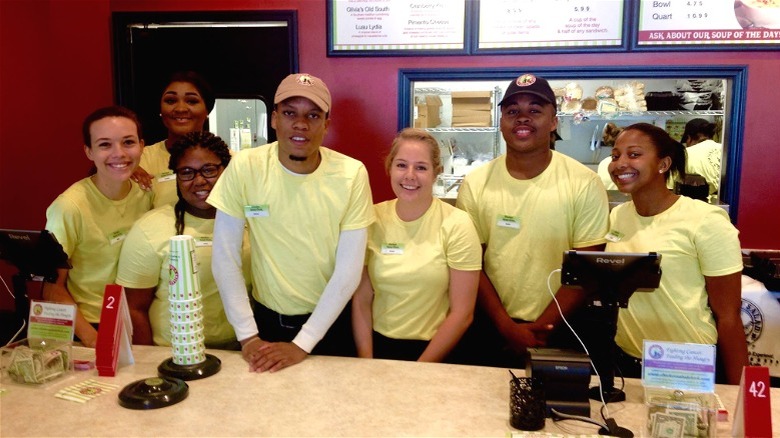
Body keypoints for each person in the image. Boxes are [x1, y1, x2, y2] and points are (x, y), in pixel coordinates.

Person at [207, 73, 375, 372]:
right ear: (273, 119)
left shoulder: (351, 174)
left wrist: (303, 343)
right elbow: (224, 257)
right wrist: (247, 336)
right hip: (266, 324)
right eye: (289, 113)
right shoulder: (246, 166)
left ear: (326, 123)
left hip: (332, 322)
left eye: (313, 115)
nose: (301, 124)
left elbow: (349, 271)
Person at [455, 73, 610, 367]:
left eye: (535, 111)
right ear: (502, 123)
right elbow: (471, 263)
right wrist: (506, 327)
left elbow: (587, 266)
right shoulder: (476, 184)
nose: (522, 119)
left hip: (563, 328)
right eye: (513, 112)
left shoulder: (584, 183)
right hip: (490, 327)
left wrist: (542, 329)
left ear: (553, 121)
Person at [606, 122, 748, 384]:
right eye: (615, 156)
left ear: (663, 164)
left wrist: (742, 394)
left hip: (685, 364)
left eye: (634, 154)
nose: (620, 163)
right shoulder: (617, 216)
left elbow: (728, 316)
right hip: (625, 360)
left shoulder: (705, 220)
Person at [351, 128, 481, 362]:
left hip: (435, 352)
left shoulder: (457, 224)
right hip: (378, 348)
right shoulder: (371, 219)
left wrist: (420, 368)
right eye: (401, 165)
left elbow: (462, 314)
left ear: (436, 173)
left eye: (421, 167)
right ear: (389, 168)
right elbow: (361, 299)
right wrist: (366, 361)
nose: (409, 175)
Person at [116, 131, 251, 349]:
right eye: (187, 172)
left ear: (226, 170)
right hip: (173, 352)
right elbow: (134, 308)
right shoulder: (151, 228)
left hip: (242, 348)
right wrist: (147, 361)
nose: (199, 181)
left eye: (209, 170)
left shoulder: (249, 222)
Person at [44, 106, 153, 347]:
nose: (119, 153)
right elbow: (52, 289)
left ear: (142, 146)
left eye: (128, 142)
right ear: (89, 151)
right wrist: (93, 340)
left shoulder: (147, 195)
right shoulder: (69, 207)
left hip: (141, 323)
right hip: (92, 328)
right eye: (105, 145)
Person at [132, 71, 215, 208]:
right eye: (171, 101)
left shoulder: (230, 162)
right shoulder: (139, 160)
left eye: (191, 101)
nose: (180, 108)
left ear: (207, 111)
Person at [681, 118, 722, 195]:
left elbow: (671, 187)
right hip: (728, 203)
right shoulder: (725, 150)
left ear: (689, 137)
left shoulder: (685, 154)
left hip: (699, 202)